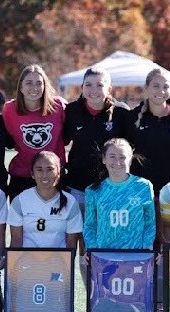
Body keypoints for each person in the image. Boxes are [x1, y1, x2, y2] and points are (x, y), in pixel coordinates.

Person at [63, 66, 129, 211]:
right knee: (78, 232)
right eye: (88, 85)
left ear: (109, 89)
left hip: (110, 186)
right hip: (77, 187)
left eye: (100, 85)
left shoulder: (121, 113)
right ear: (82, 87)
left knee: (107, 232)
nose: (94, 90)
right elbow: (62, 140)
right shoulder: (71, 111)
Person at [2, 65, 68, 198]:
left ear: (45, 86)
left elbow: (68, 136)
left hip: (53, 176)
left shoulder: (59, 107)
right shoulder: (9, 109)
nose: (34, 87)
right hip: (22, 176)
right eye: (29, 83)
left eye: (39, 83)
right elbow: (10, 139)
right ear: (21, 87)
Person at [83, 138, 156, 250]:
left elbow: (149, 223)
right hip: (104, 256)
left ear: (130, 160)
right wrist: (93, 251)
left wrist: (146, 249)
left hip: (135, 255)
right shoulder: (92, 191)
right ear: (104, 159)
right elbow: (89, 226)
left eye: (122, 157)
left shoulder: (143, 186)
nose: (117, 162)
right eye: (112, 156)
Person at [126, 68, 170, 194]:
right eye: (156, 86)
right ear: (146, 88)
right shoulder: (132, 117)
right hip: (141, 192)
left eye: (166, 87)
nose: (161, 91)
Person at [8, 151, 82, 248]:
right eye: (39, 170)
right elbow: (16, 242)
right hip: (26, 261)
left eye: (50, 169)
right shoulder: (20, 201)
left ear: (59, 173)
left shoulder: (70, 202)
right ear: (32, 174)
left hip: (58, 262)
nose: (44, 175)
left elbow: (71, 245)